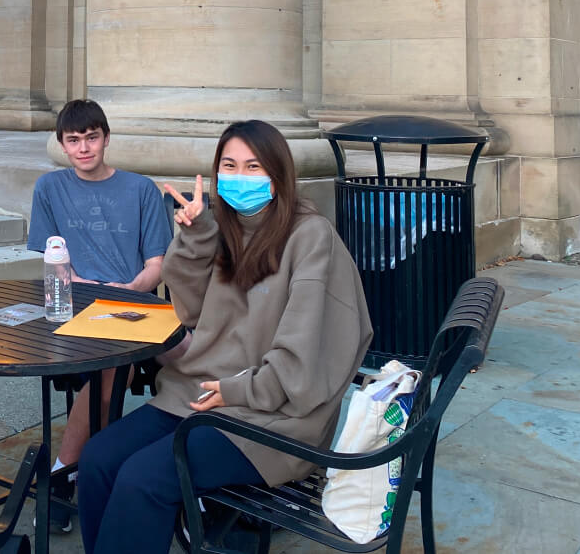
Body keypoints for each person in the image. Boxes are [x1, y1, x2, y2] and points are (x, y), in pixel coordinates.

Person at [76, 120, 374, 554]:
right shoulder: (226, 227)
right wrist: (196, 237)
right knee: (98, 460)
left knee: (143, 479)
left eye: (254, 167)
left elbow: (302, 359)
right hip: (203, 393)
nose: (240, 177)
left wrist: (237, 390)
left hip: (274, 417)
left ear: (278, 175)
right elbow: (191, 311)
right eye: (229, 166)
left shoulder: (311, 237)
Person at [26, 99, 173, 533]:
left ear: (106, 139)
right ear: (62, 145)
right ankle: (89, 468)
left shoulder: (141, 189)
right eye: (74, 140)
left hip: (132, 304)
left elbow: (157, 264)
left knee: (113, 368)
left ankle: (64, 470)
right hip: (71, 301)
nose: (84, 148)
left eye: (91, 138)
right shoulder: (49, 188)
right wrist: (83, 287)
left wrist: (128, 290)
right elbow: (53, 257)